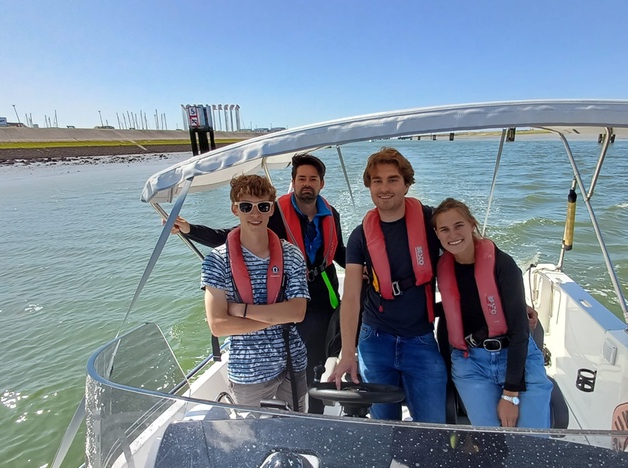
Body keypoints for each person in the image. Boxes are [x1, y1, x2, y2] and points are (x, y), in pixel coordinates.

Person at [173, 154, 345, 414]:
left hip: (323, 291)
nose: (307, 184)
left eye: (312, 179)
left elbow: (338, 250)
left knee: (319, 354)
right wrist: (190, 229)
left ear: (321, 183)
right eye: (301, 179)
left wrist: (363, 268)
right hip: (287, 298)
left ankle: (316, 413)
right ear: (294, 182)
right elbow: (233, 234)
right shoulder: (273, 214)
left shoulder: (332, 214)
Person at [328, 147, 448, 423]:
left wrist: (509, 297)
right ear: (369, 186)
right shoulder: (360, 237)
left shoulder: (432, 221)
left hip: (420, 339)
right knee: (384, 427)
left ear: (406, 184)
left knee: (433, 427)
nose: (384, 188)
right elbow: (351, 298)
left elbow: (469, 252)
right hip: (374, 341)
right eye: (377, 181)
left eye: (392, 179)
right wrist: (348, 353)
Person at [432, 198, 552, 428]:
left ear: (472, 224)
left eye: (459, 226)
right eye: (444, 229)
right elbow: (453, 310)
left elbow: (519, 331)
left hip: (516, 356)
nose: (452, 235)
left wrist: (510, 395)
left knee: (532, 444)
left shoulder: (503, 265)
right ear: (437, 234)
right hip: (471, 365)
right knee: (493, 444)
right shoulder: (443, 268)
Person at [200, 174, 310, 411]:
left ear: (271, 210)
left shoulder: (291, 255)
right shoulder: (217, 261)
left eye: (263, 206)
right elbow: (218, 325)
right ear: (234, 209)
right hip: (248, 372)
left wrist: (243, 311)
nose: (255, 213)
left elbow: (298, 312)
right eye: (246, 206)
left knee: (295, 431)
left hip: (294, 363)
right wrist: (277, 318)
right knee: (253, 439)